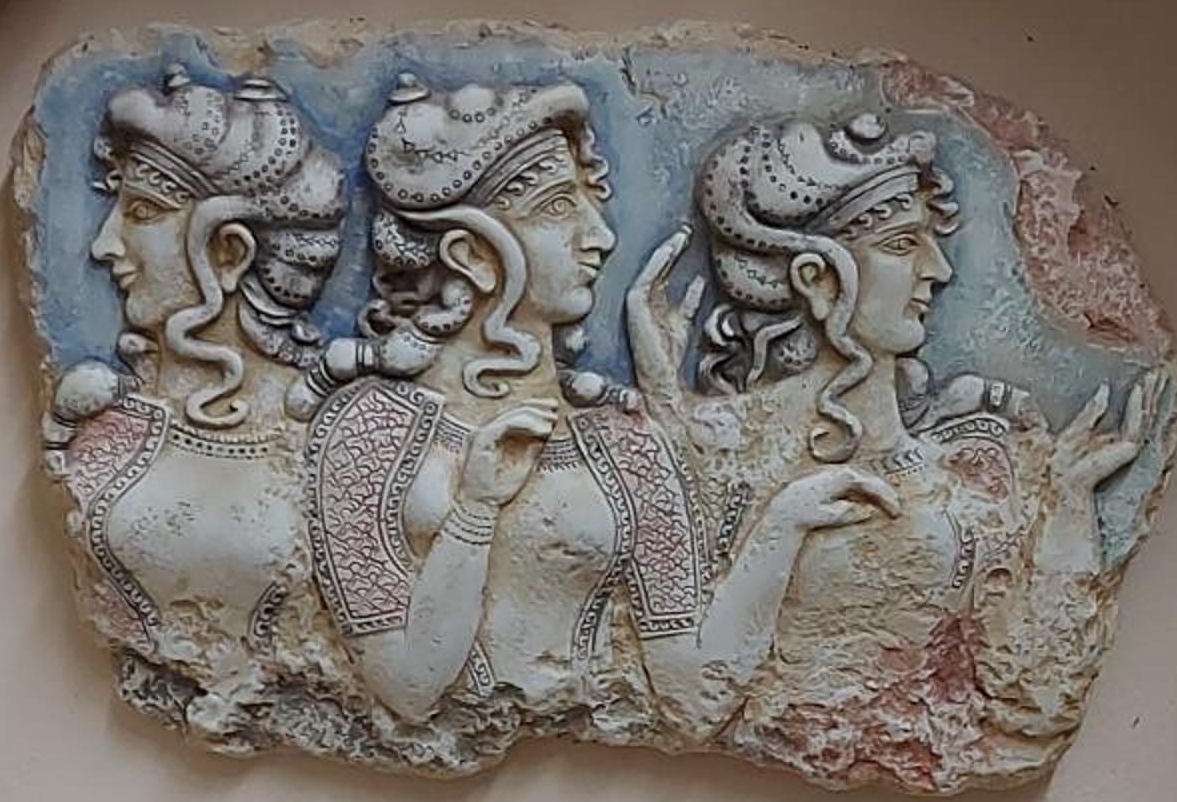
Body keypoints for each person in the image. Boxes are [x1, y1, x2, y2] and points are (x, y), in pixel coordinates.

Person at [307, 73, 887, 742]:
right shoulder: (370, 432)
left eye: (589, 204)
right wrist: (474, 510)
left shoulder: (622, 441)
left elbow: (693, 695)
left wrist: (782, 525)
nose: (600, 236)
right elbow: (409, 690)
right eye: (559, 207)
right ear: (474, 253)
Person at [629, 107, 1168, 790]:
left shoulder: (975, 455)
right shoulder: (710, 454)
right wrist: (777, 525)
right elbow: (690, 702)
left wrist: (1067, 506)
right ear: (819, 279)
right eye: (902, 243)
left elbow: (1039, 703)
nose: (936, 270)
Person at [45, 66, 348, 716]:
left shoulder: (339, 442)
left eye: (142, 213)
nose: (105, 245)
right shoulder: (106, 426)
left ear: (229, 252)